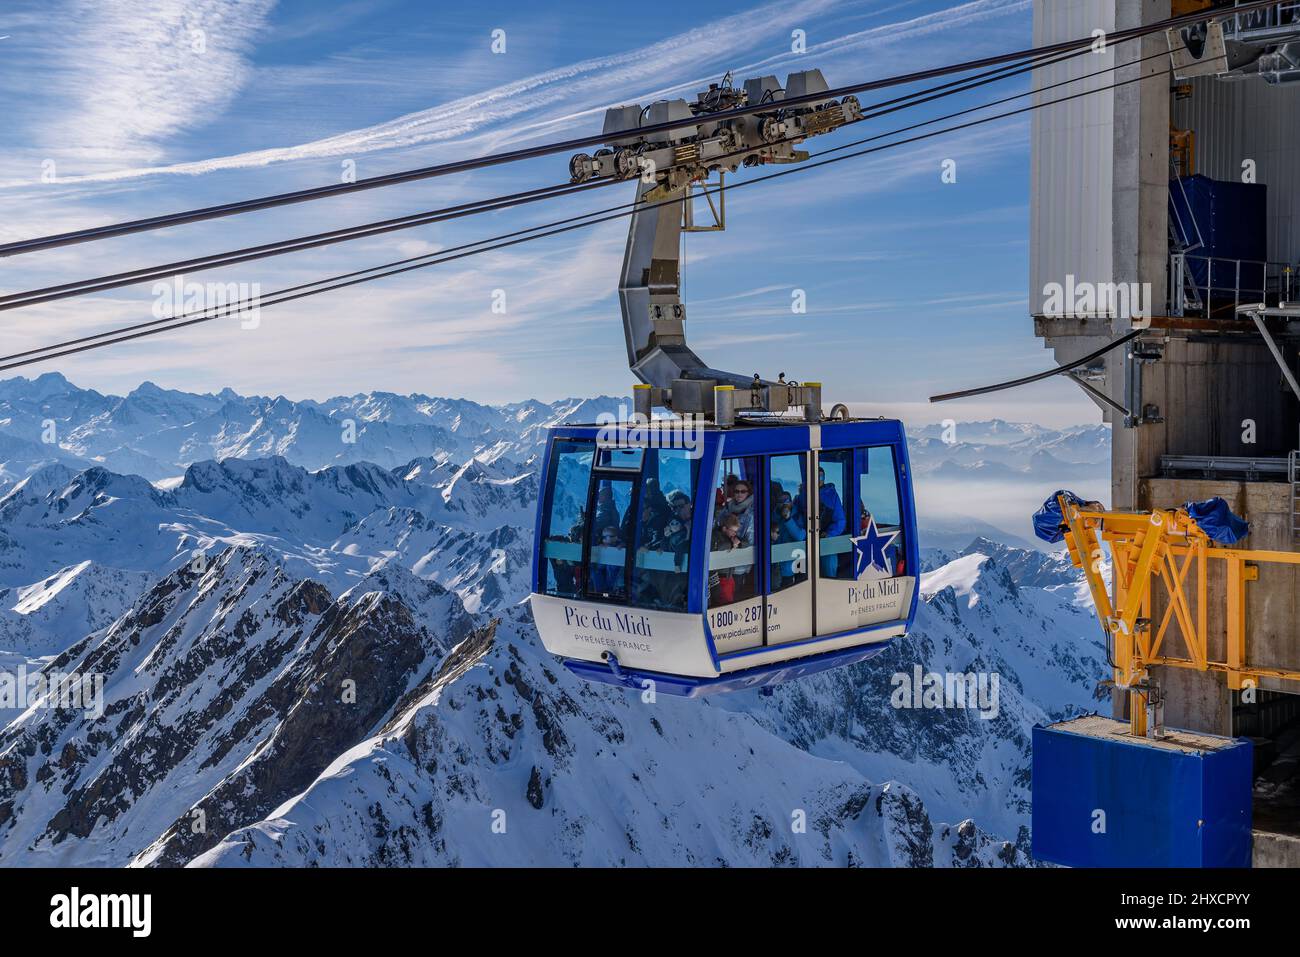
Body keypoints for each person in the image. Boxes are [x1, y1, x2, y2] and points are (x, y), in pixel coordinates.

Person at [770, 490, 804, 589]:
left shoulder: (797, 516)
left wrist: (788, 519)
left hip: (793, 563)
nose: (784, 505)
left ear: (791, 503)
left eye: (786, 501)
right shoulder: (773, 517)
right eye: (781, 501)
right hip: (776, 563)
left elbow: (800, 537)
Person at [818, 466, 846, 577]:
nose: (819, 479)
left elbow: (840, 521)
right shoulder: (804, 495)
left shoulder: (831, 495)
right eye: (816, 476)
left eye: (821, 476)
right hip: (807, 540)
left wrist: (829, 534)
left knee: (829, 573)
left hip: (827, 541)